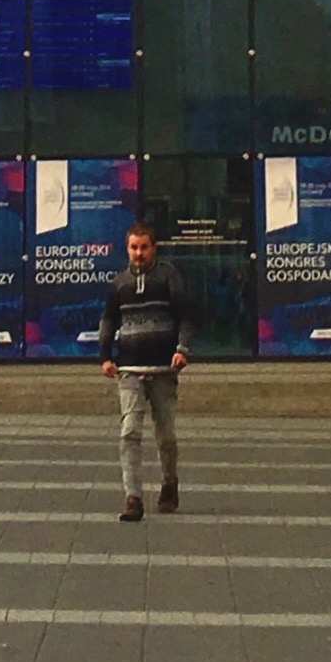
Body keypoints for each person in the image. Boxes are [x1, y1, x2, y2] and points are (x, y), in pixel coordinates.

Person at [99, 219, 188, 520]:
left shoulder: (168, 276)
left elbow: (185, 316)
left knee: (166, 436)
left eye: (144, 247)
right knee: (129, 432)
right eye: (134, 248)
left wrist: (181, 349)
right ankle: (132, 497)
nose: (139, 253)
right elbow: (109, 320)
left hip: (163, 368)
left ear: (154, 248)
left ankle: (170, 483)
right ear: (127, 249)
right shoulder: (119, 282)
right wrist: (105, 355)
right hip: (129, 368)